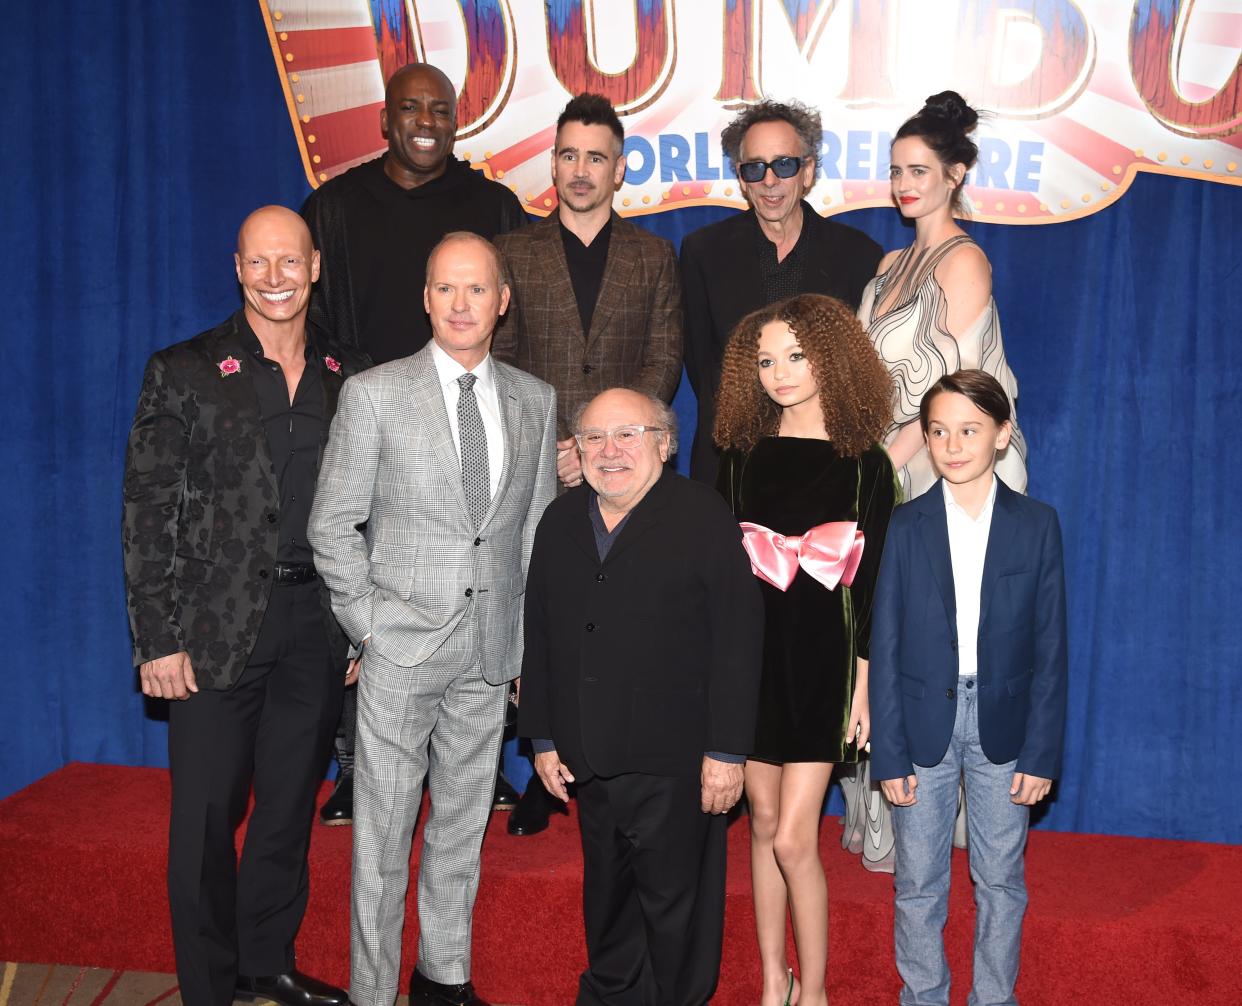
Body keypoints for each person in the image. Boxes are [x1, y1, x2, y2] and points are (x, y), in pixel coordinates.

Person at [122, 206, 368, 1006]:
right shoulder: (184, 368)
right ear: (237, 269)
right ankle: (208, 987)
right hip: (210, 632)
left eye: (289, 262)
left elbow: (373, 510)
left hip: (315, 628)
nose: (275, 279)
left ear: (315, 266)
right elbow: (147, 508)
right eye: (259, 264)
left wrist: (358, 620)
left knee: (288, 810)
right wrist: (156, 637)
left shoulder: (347, 373)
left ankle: (268, 963)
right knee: (203, 820)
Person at [307, 232, 556, 1006]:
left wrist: (523, 652)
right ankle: (374, 992)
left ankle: (443, 980)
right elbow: (331, 525)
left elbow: (534, 534)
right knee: (381, 840)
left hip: (488, 657)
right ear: (425, 298)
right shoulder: (375, 393)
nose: (460, 304)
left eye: (476, 289)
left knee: (459, 831)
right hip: (400, 652)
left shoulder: (535, 400)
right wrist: (370, 626)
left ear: (502, 301)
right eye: (445, 288)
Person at [301, 60, 527, 826]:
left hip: (470, 420)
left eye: (440, 107)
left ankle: (484, 762)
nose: (426, 119)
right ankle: (355, 766)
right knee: (361, 579)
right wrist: (357, 407)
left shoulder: (493, 203)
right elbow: (316, 328)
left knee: (482, 576)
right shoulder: (334, 206)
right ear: (386, 118)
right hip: (370, 421)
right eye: (410, 106)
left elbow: (515, 322)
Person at [518, 388, 764, 1006]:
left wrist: (729, 752)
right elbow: (540, 632)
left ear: (664, 442)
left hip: (677, 758)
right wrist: (541, 737)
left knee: (676, 904)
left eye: (627, 434)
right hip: (588, 753)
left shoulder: (702, 515)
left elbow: (739, 640)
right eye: (594, 438)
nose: (610, 451)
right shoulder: (560, 520)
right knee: (607, 896)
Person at [493, 91, 683, 837]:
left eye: (595, 157)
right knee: (549, 616)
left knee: (620, 618)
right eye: (568, 154)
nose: (579, 170)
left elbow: (665, 358)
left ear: (619, 167)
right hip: (539, 466)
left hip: (627, 470)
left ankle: (617, 756)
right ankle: (545, 765)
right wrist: (556, 447)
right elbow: (498, 360)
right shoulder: (513, 253)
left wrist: (610, 444)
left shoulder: (652, 256)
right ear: (553, 162)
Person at [849, 90, 1029, 872]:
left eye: (919, 169)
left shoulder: (964, 259)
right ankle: (899, 819)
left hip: (953, 470)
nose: (904, 183)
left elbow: (951, 392)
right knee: (891, 639)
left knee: (948, 644)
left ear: (956, 174)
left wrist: (882, 468)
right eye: (894, 171)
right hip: (889, 463)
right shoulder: (889, 263)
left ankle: (961, 821)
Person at [714, 294, 897, 1006]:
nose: (780, 373)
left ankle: (815, 992)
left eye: (797, 355)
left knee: (794, 838)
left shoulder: (867, 466)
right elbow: (720, 576)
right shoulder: (739, 457)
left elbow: (877, 585)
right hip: (751, 661)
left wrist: (864, 687)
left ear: (834, 358)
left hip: (824, 667)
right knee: (760, 826)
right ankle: (772, 983)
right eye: (764, 360)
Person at [869, 369, 1067, 1006]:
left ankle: (993, 999)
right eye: (939, 431)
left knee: (1001, 882)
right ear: (925, 439)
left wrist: (1042, 753)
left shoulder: (1037, 525)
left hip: (1004, 728)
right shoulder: (904, 526)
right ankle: (922, 996)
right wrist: (889, 752)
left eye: (970, 430)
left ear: (1002, 435)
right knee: (918, 883)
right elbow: (887, 643)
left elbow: (1050, 647)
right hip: (922, 724)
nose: (953, 445)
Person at [680, 99, 882, 485]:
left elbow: (855, 370)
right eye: (755, 168)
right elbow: (700, 363)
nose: (769, 181)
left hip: (826, 460)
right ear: (741, 178)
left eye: (784, 165)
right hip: (731, 460)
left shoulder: (858, 255)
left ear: (807, 172)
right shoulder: (703, 252)